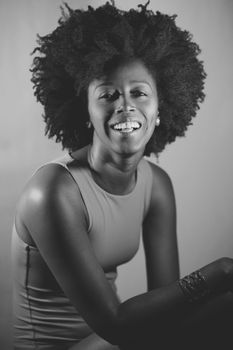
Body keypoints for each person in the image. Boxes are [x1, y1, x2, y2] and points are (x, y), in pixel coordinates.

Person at [12, 1, 233, 349]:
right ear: (85, 110)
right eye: (107, 94)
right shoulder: (54, 191)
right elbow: (116, 324)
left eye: (139, 93)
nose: (125, 105)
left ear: (162, 106)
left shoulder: (156, 185)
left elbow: (169, 312)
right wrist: (220, 272)